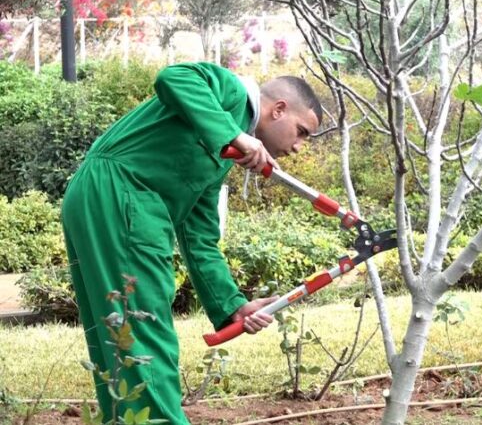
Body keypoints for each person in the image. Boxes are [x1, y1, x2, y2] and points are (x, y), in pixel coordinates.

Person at [61, 62, 322, 424]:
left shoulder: (221, 154)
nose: (297, 147)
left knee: (117, 337)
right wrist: (234, 133)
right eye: (301, 132)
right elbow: (174, 78)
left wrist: (233, 306)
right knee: (143, 331)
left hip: (99, 196)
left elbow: (200, 239)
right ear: (278, 110)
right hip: (122, 196)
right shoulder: (231, 92)